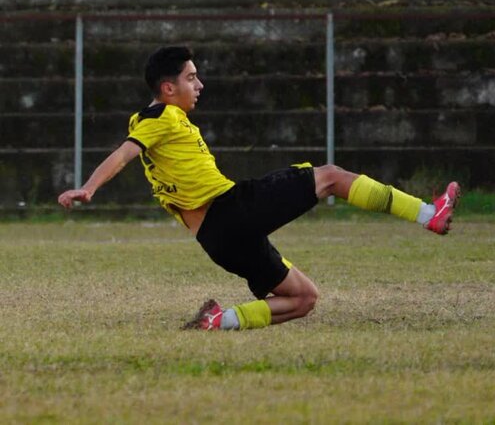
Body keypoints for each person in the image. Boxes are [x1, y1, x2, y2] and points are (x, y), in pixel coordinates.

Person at [58, 46, 461, 331]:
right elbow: (125, 154)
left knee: (304, 299)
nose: (199, 85)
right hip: (231, 210)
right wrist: (89, 187)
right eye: (191, 77)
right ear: (168, 88)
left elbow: (133, 146)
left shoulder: (151, 118)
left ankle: (219, 321)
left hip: (218, 241)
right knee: (332, 176)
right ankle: (430, 215)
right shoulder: (160, 118)